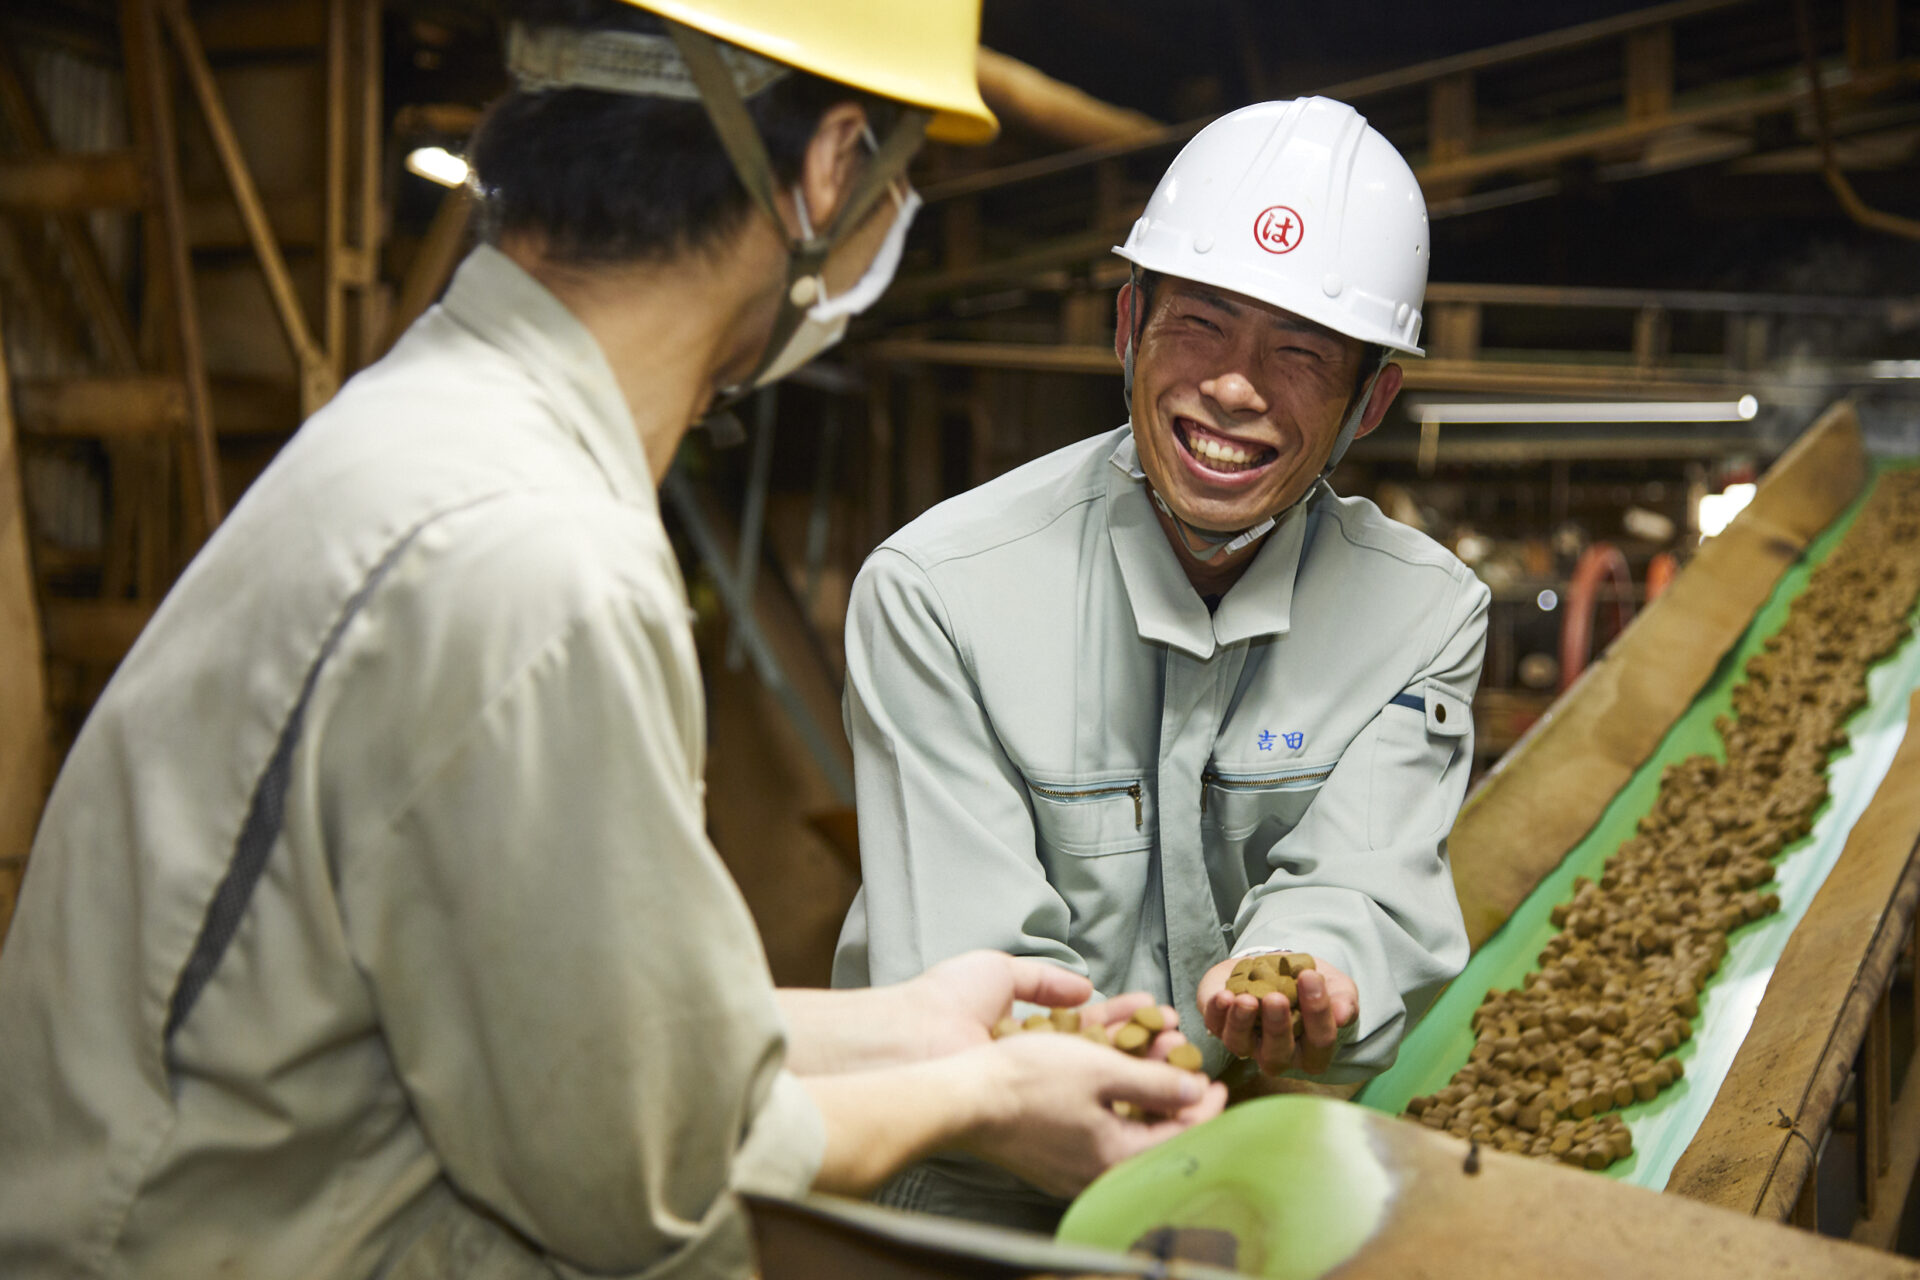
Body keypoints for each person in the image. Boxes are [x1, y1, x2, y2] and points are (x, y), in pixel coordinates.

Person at [0, 3, 1224, 1276]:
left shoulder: (435, 431)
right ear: (828, 166)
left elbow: (570, 1022)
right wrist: (989, 1097)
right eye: (901, 176)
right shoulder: (536, 562)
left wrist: (912, 1026)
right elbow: (638, 1176)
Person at [833, 97, 1488, 1226]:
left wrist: (1305, 968)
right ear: (1129, 323)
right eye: (1202, 324)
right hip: (973, 1184)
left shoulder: (1421, 613)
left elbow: (1364, 880)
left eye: (1301, 351)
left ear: (1368, 400)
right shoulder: (939, 591)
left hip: (1248, 1165)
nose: (1236, 386)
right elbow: (969, 961)